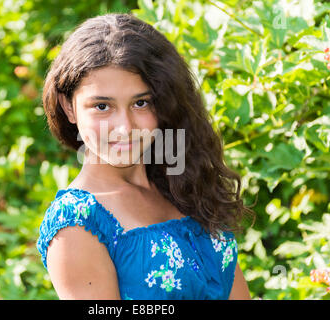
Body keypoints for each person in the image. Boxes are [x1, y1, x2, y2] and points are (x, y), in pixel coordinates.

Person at [37, 12, 255, 300]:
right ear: (68, 107)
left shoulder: (183, 183)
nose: (125, 127)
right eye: (102, 106)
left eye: (141, 103)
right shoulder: (77, 224)